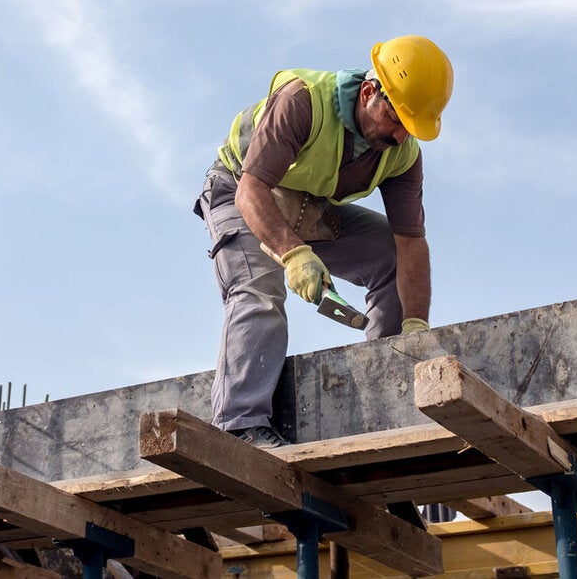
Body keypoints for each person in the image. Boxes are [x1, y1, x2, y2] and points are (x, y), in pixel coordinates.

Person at [194, 35, 453, 448]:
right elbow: (252, 191)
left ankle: (389, 390)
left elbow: (410, 244)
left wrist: (416, 326)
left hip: (306, 204)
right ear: (369, 92)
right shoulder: (303, 101)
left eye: (411, 127)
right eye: (397, 119)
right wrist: (294, 253)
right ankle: (241, 425)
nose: (402, 136)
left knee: (387, 255)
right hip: (239, 189)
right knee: (258, 290)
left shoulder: (402, 155)